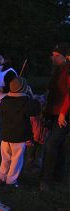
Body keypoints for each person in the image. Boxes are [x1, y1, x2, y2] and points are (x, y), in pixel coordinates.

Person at [0, 77, 40, 187]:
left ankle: (2, 176)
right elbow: (35, 110)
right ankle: (11, 181)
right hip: (19, 137)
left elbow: (0, 113)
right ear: (24, 88)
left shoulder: (4, 100)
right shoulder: (26, 101)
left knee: (5, 158)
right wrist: (30, 95)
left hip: (5, 135)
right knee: (16, 160)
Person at [40, 43, 70, 192]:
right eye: (53, 55)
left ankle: (46, 179)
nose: (53, 57)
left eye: (57, 55)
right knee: (60, 143)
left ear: (65, 57)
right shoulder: (56, 70)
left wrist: (63, 113)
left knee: (51, 144)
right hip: (53, 111)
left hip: (64, 114)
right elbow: (52, 89)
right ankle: (59, 174)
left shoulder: (68, 69)